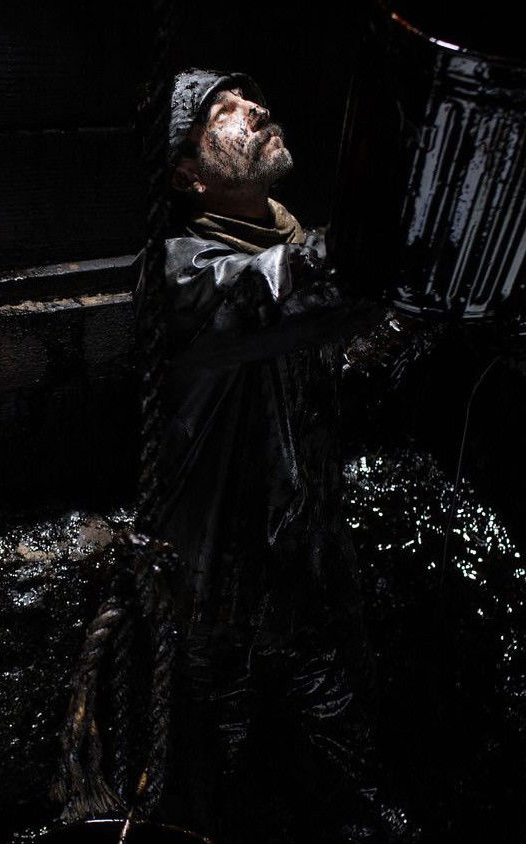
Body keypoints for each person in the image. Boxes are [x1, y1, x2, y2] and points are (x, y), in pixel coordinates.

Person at [147, 68, 414, 842]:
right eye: (222, 112)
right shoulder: (181, 276)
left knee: (347, 784)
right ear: (189, 177)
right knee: (215, 798)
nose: (256, 108)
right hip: (217, 608)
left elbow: (343, 367)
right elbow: (277, 297)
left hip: (311, 581)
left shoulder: (296, 246)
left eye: (249, 98)